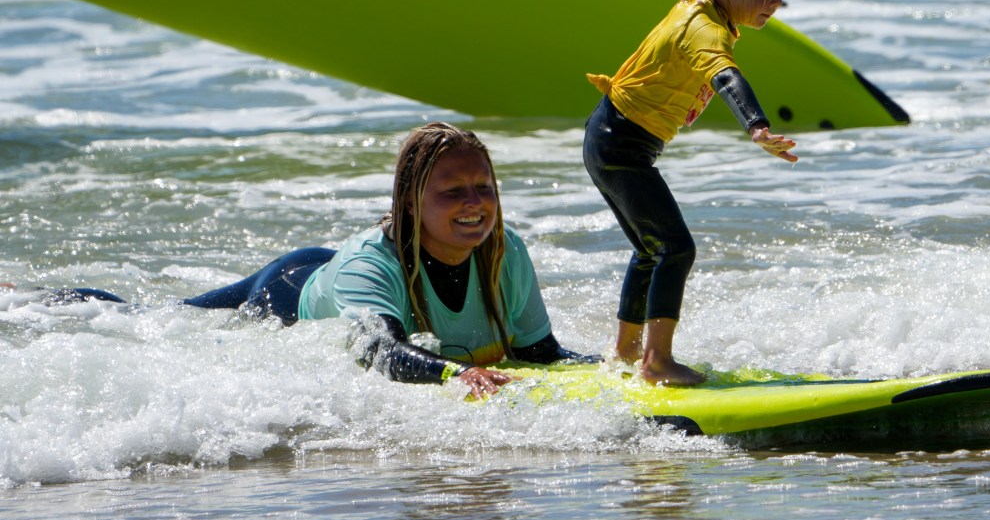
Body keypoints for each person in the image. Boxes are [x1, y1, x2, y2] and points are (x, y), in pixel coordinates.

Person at [50, 123, 595, 398]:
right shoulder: (371, 264)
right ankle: (36, 297)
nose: (474, 203)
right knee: (149, 317)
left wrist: (614, 367)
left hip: (337, 275)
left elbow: (539, 352)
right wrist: (458, 374)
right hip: (288, 290)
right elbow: (378, 350)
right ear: (411, 201)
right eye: (452, 191)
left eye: (483, 186)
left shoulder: (506, 251)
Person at [584, 0, 798, 386]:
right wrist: (757, 127)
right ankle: (656, 362)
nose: (777, 2)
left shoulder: (701, 0)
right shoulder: (704, 27)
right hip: (621, 144)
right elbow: (726, 76)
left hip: (608, 135)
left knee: (650, 248)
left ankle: (625, 353)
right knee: (676, 248)